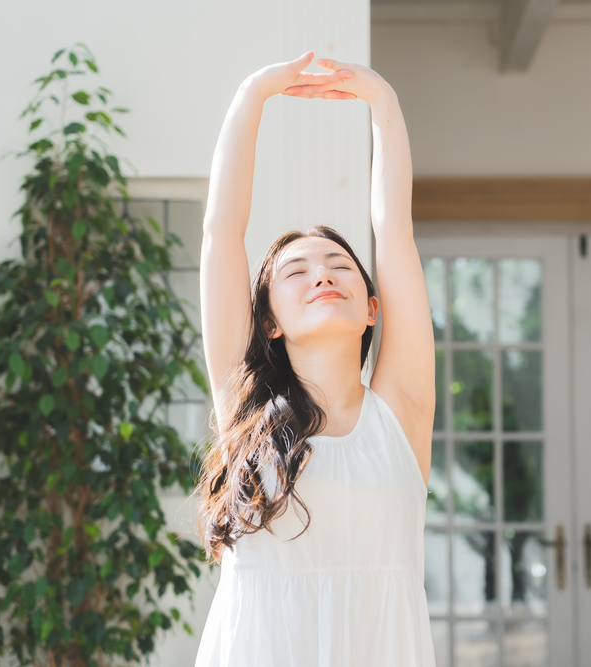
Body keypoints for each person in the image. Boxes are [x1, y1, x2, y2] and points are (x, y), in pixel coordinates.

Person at [191, 51, 436, 667]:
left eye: (340, 267)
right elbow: (222, 233)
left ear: (374, 307)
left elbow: (395, 229)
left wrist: (385, 105)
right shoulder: (247, 414)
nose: (321, 275)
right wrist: (252, 97)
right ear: (268, 323)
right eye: (296, 271)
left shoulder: (399, 414)